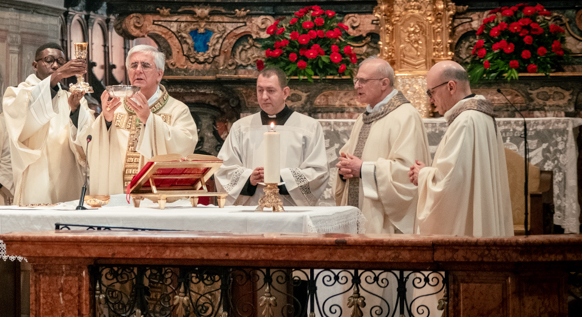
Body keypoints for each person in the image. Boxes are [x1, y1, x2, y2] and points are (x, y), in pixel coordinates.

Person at [410, 61, 512, 236]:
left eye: (431, 92)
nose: (430, 100)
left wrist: (423, 175)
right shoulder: (479, 116)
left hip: (465, 230)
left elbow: (451, 183)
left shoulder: (465, 122)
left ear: (451, 86)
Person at [77, 45, 197, 195]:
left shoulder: (177, 110)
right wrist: (106, 122)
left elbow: (185, 146)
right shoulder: (116, 107)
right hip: (118, 196)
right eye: (134, 65)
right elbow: (90, 147)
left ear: (159, 74)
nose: (138, 70)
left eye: (145, 65)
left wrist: (149, 120)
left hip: (156, 198)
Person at [335, 57, 431, 234]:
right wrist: (344, 170)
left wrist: (363, 169)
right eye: (356, 80)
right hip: (360, 212)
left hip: (385, 222)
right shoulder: (364, 118)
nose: (357, 86)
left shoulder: (405, 116)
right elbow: (350, 158)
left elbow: (408, 173)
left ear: (384, 83)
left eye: (363, 81)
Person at [215, 66, 329, 206]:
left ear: (285, 92)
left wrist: (282, 178)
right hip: (252, 208)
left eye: (270, 90)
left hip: (290, 210)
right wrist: (249, 178)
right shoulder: (241, 127)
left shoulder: (309, 127)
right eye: (260, 90)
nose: (264, 97)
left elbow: (318, 172)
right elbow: (223, 169)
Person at [2, 43, 88, 205]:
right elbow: (25, 121)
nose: (55, 65)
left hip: (68, 175)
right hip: (36, 175)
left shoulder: (71, 97)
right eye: (49, 60)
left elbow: (88, 135)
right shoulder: (17, 94)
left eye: (60, 62)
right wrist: (57, 76)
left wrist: (75, 111)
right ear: (35, 65)